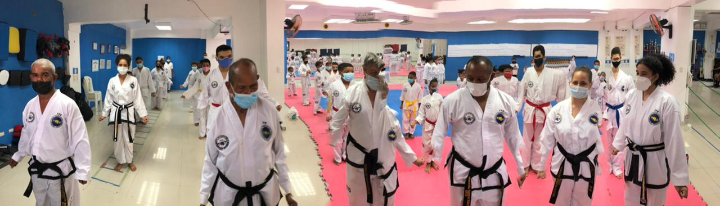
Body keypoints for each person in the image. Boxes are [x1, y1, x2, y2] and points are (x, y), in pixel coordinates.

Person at [199, 58, 298, 206]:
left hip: (265, 193)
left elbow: (279, 154)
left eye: (253, 86)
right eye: (241, 88)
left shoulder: (269, 110)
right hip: (229, 195)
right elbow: (210, 161)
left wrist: (288, 191)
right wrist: (203, 198)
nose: (248, 92)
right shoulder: (217, 118)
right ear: (229, 86)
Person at [330, 53, 423, 205]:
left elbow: (398, 139)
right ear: (365, 70)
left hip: (383, 164)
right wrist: (334, 138)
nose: (376, 76)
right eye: (373, 72)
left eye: (378, 73)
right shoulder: (353, 93)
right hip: (359, 160)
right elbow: (339, 118)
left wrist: (412, 158)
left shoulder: (390, 118)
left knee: (383, 199)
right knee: (358, 199)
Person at [432, 56, 526, 205]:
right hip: (463, 171)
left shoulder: (506, 101)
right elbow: (439, 131)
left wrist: (521, 167)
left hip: (494, 171)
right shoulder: (452, 100)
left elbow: (513, 136)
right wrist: (435, 157)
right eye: (470, 78)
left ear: (492, 76)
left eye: (480, 79)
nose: (474, 83)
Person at [9, 59, 91, 206]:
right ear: (30, 78)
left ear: (54, 77)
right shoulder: (30, 106)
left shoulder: (67, 105)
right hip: (38, 169)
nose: (39, 79)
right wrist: (19, 154)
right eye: (35, 75)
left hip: (61, 170)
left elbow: (80, 138)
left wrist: (83, 169)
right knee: (41, 202)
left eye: (44, 75)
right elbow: (27, 134)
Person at [611, 54, 690, 206]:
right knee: (631, 197)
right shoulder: (632, 95)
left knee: (654, 200)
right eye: (638, 73)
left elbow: (674, 141)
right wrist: (618, 143)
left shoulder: (667, 103)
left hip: (654, 160)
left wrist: (679, 179)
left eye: (644, 74)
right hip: (633, 157)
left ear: (655, 76)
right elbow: (626, 122)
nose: (639, 77)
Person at [536, 66, 604, 205]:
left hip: (586, 164)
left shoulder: (595, 110)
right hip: (562, 162)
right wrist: (541, 165)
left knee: (583, 201)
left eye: (583, 83)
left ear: (590, 85)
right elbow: (546, 139)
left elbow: (596, 139)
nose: (578, 86)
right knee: (561, 201)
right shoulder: (557, 110)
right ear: (570, 83)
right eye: (575, 83)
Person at [197, 45, 280, 143]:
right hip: (216, 111)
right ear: (217, 58)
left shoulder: (242, 73)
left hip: (236, 111)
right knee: (215, 141)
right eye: (222, 57)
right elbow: (204, 98)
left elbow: (261, 91)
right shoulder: (211, 75)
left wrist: (274, 103)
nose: (226, 59)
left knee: (236, 141)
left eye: (229, 56)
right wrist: (201, 128)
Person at [517, 45, 568, 174]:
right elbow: (521, 90)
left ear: (544, 57)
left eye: (539, 57)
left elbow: (562, 92)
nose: (537, 59)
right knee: (527, 139)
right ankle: (526, 164)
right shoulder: (528, 72)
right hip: (530, 109)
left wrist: (564, 112)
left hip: (545, 110)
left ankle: (538, 166)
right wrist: (517, 107)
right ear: (533, 58)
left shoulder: (553, 74)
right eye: (535, 57)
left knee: (541, 140)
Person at [100, 54, 149, 172]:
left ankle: (130, 160)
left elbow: (137, 98)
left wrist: (143, 114)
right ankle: (120, 161)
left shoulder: (133, 80)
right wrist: (104, 113)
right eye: (120, 65)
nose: (122, 67)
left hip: (129, 111)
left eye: (125, 65)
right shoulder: (112, 81)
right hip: (116, 112)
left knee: (129, 137)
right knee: (117, 138)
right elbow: (108, 98)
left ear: (128, 67)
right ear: (117, 66)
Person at [604, 47, 635, 178]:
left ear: (621, 58)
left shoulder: (627, 78)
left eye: (618, 58)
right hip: (609, 111)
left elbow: (632, 95)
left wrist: (629, 113)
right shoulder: (606, 77)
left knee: (619, 140)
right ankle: (609, 164)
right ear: (610, 59)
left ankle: (617, 166)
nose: (616, 61)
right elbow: (602, 95)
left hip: (621, 112)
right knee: (608, 141)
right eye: (614, 59)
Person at [325, 63, 356, 165]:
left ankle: (345, 155)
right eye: (347, 72)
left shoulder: (355, 85)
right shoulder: (334, 85)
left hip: (351, 115)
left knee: (348, 137)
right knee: (338, 138)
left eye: (352, 71)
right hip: (337, 114)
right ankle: (337, 157)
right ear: (341, 72)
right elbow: (330, 100)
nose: (350, 74)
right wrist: (329, 113)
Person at [411, 78, 443, 174]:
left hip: (437, 125)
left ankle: (432, 161)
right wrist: (415, 122)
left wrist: (443, 123)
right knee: (427, 145)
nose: (434, 88)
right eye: (432, 86)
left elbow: (442, 112)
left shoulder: (440, 97)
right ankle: (428, 162)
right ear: (429, 87)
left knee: (436, 144)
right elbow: (421, 114)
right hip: (428, 124)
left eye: (435, 86)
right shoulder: (424, 99)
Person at [182, 59, 212, 139]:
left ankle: (209, 134)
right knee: (202, 116)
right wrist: (186, 94)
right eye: (204, 65)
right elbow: (195, 87)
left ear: (210, 66)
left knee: (210, 117)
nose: (206, 67)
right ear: (201, 67)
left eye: (207, 65)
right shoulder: (199, 76)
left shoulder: (213, 75)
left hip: (210, 99)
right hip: (201, 98)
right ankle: (202, 133)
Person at [400, 71, 423, 139]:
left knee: (413, 119)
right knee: (405, 119)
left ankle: (411, 133)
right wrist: (401, 104)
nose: (409, 79)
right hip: (406, 104)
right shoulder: (405, 85)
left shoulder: (418, 86)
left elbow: (420, 97)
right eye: (408, 77)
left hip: (414, 105)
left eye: (411, 78)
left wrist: (420, 106)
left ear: (415, 78)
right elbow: (402, 96)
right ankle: (406, 132)